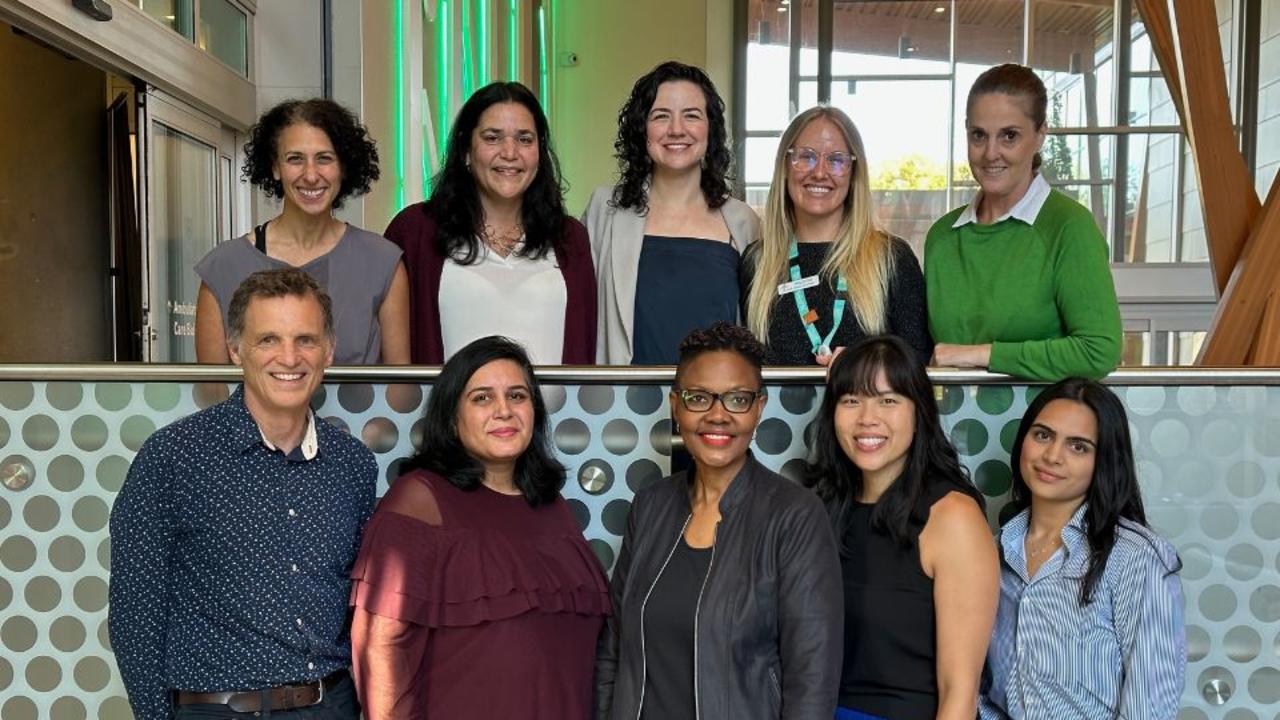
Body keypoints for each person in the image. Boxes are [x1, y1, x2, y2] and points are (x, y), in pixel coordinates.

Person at [109, 268, 377, 719]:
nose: (289, 357)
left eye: (306, 340)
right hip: (218, 710)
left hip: (330, 705)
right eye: (268, 339)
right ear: (235, 349)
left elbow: (362, 607)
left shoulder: (353, 465)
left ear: (328, 350)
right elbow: (136, 612)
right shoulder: (174, 457)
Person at [349, 336, 609, 719]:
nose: (504, 410)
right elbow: (382, 653)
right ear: (451, 419)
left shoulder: (553, 507)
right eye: (482, 398)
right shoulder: (420, 501)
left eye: (517, 396)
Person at [597, 322, 842, 719]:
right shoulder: (650, 506)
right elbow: (614, 649)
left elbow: (812, 680)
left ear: (759, 408)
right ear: (675, 405)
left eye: (737, 399)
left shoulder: (795, 515)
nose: (717, 415)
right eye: (698, 398)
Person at [805, 335, 998, 720]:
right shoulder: (818, 508)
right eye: (851, 400)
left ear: (919, 412)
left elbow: (959, 694)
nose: (867, 418)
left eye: (888, 400)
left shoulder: (953, 517)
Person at [980, 378, 1184, 719]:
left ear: (1104, 460)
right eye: (1042, 435)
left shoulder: (1136, 557)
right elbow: (981, 687)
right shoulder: (994, 550)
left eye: (1078, 447)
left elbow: (1149, 706)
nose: (1052, 456)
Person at [925, 64, 1121, 381]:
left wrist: (981, 355)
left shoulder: (1069, 227)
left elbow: (1099, 350)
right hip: (951, 413)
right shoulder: (942, 236)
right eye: (979, 136)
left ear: (1040, 135)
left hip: (1042, 413)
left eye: (1009, 136)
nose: (991, 153)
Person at [383, 82, 596, 365]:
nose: (510, 153)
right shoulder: (414, 232)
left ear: (540, 152)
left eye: (525, 139)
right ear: (466, 149)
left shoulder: (569, 237)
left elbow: (586, 349)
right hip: (445, 397)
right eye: (492, 138)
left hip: (552, 398)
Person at [195, 98, 410, 365]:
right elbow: (212, 386)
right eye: (295, 159)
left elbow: (399, 384)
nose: (310, 175)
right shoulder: (223, 266)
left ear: (343, 167)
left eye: (324, 159)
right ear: (275, 167)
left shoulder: (382, 262)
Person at [585, 61, 760, 365]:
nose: (676, 130)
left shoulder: (743, 221)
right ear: (642, 129)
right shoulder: (606, 210)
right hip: (625, 394)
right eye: (661, 116)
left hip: (717, 394)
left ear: (710, 129)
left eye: (691, 115)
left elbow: (758, 329)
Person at [741, 107, 931, 367]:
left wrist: (862, 366)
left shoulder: (891, 258)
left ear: (854, 172)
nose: (819, 172)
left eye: (836, 160)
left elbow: (918, 363)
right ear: (785, 166)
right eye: (806, 157)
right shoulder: (756, 262)